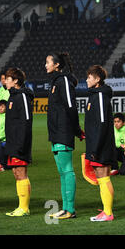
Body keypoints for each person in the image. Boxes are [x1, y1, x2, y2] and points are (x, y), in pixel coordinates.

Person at [45, 52, 85, 220]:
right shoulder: (55, 82)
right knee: (62, 172)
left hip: (64, 132)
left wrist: (76, 130)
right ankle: (66, 208)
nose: (45, 65)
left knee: (67, 170)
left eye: (48, 62)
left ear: (57, 65)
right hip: (55, 133)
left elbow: (71, 107)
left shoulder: (63, 82)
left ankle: (70, 209)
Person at [84, 65, 117, 221]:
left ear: (97, 80)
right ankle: (106, 210)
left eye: (89, 77)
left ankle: (108, 213)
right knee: (100, 176)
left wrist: (96, 148)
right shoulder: (94, 95)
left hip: (102, 145)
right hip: (96, 144)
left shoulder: (101, 96)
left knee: (104, 176)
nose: (86, 79)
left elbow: (103, 124)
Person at [4, 68, 34, 217]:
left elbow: (27, 120)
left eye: (8, 78)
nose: (5, 81)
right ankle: (21, 206)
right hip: (12, 142)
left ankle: (24, 208)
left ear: (16, 81)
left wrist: (22, 143)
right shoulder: (13, 96)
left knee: (21, 173)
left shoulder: (22, 96)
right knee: (16, 173)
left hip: (20, 143)